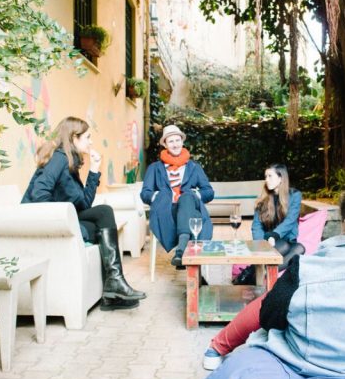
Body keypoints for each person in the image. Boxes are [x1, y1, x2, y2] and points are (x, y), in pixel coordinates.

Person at [203, 177, 345, 373]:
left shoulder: (306, 271)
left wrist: (217, 347)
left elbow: (266, 313)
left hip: (308, 370)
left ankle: (217, 346)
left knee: (271, 314)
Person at [22, 116, 145, 311]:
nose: (91, 141)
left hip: (63, 219)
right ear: (74, 138)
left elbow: (85, 204)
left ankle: (114, 285)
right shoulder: (58, 159)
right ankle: (113, 287)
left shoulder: (70, 163)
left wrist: (94, 170)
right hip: (47, 224)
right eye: (87, 137)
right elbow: (39, 194)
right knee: (99, 223)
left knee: (103, 213)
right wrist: (63, 221)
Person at [141, 124, 215, 267]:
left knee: (186, 197)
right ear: (165, 145)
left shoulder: (194, 167)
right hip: (167, 212)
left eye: (177, 140)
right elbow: (145, 193)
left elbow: (209, 192)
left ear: (182, 142)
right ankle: (191, 260)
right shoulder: (154, 168)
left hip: (188, 208)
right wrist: (159, 196)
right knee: (192, 214)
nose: (175, 144)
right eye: (171, 141)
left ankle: (180, 252)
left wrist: (196, 194)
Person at [232, 164, 305, 285]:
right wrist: (260, 244)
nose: (266, 179)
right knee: (284, 247)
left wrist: (274, 235)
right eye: (266, 176)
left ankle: (254, 273)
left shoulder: (295, 195)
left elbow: (290, 220)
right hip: (267, 243)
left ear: (281, 178)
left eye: (270, 176)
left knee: (299, 248)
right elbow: (256, 225)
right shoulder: (263, 198)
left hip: (285, 239)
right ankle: (256, 272)